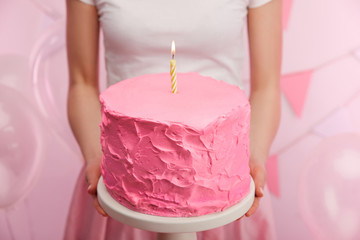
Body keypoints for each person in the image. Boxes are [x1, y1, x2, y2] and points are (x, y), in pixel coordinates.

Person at [64, 0, 282, 239]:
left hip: (222, 184)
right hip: (123, 183)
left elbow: (267, 88)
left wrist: (253, 158)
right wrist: (96, 158)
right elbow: (81, 84)